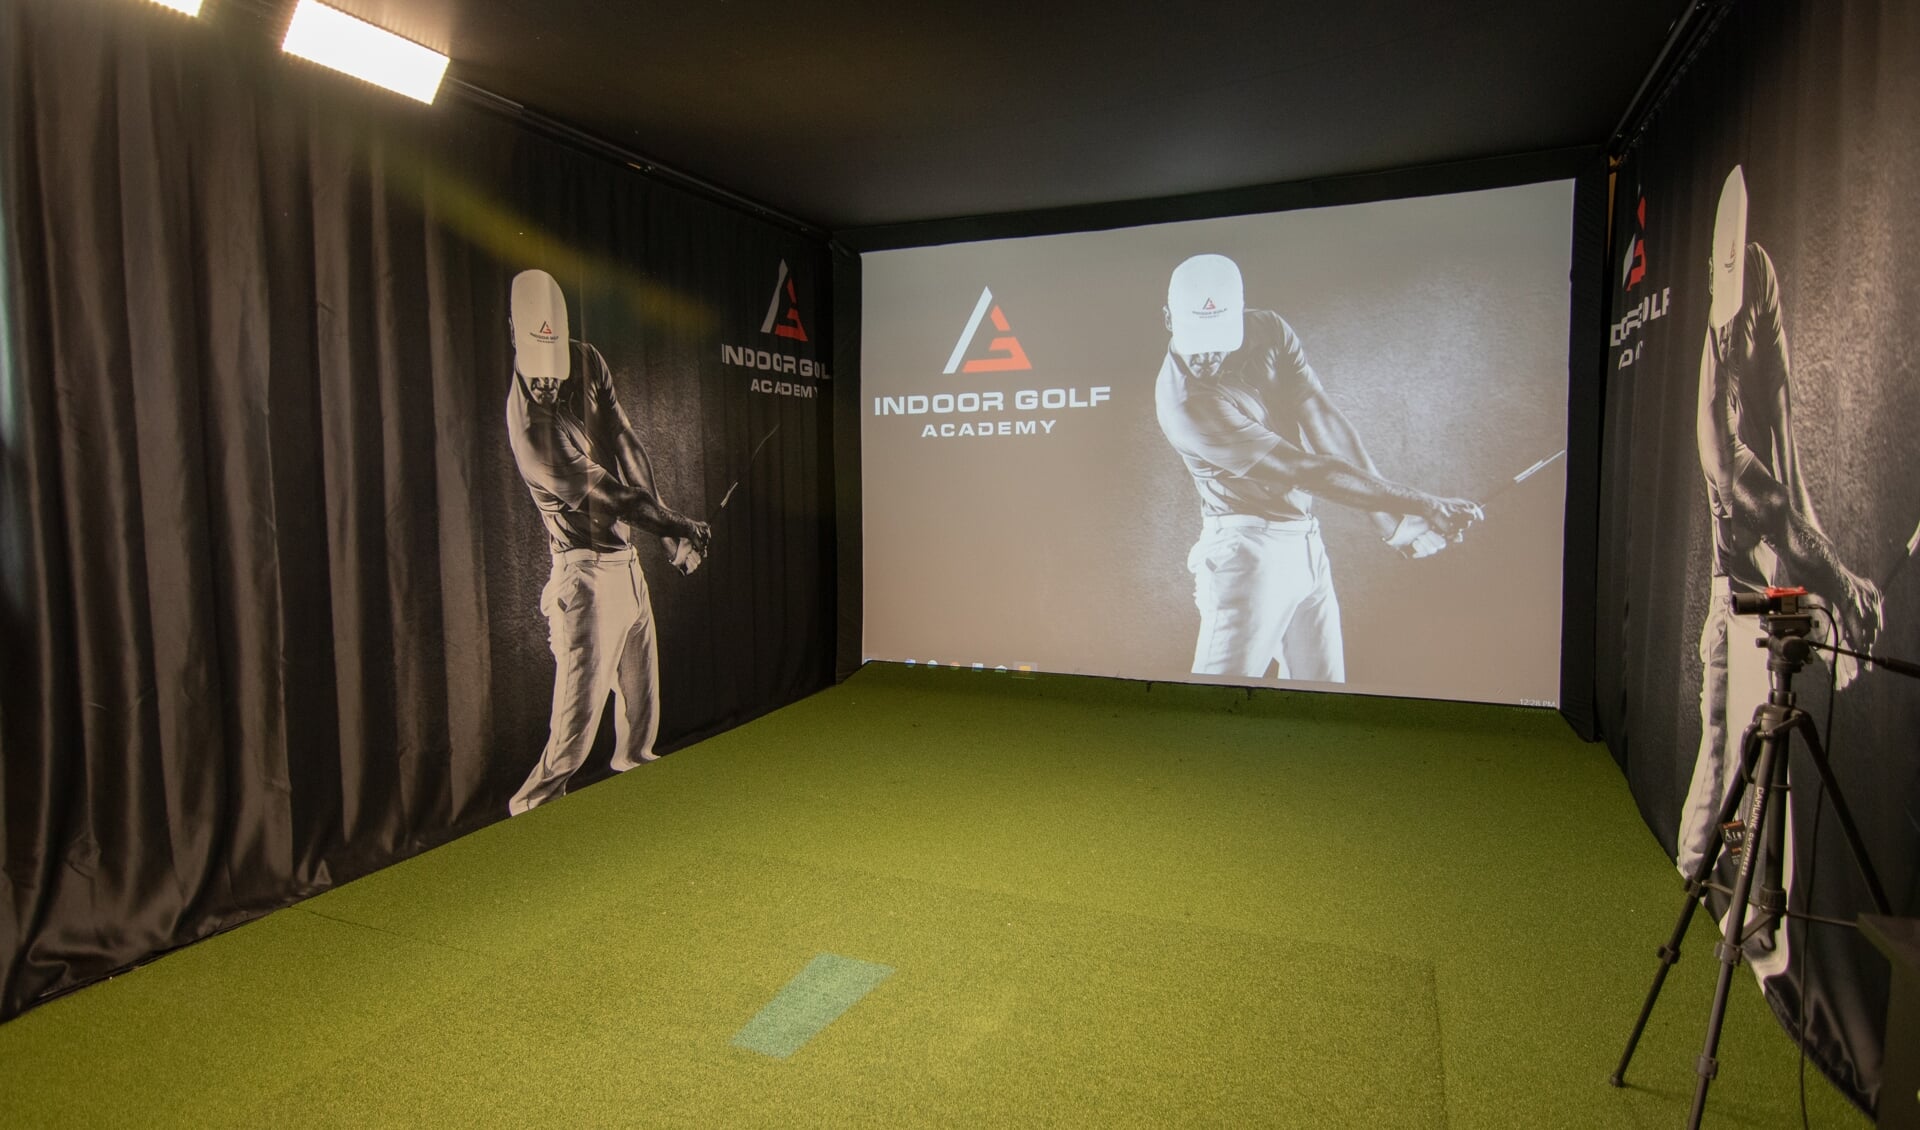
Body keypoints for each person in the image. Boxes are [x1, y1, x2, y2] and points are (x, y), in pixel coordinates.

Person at [1676, 166, 1883, 970]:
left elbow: (1797, 489)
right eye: (1733, 327)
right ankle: (1729, 889)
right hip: (1739, 607)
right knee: (1736, 761)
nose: (1742, 334)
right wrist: (1841, 584)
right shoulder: (1717, 435)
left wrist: (1827, 594)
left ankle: (1710, 873)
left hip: (1770, 594)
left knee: (1728, 750)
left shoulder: (1755, 277)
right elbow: (1783, 521)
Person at [1154, 253, 1483, 683]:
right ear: (1168, 319)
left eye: (1220, 338)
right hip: (1245, 555)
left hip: (1306, 542)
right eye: (1199, 340)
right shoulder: (1187, 406)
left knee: (1323, 701)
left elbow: (1323, 421)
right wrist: (1423, 504)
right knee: (1212, 709)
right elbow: (1306, 470)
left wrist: (1394, 525)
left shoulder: (1268, 330)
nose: (1209, 356)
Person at [504, 268, 711, 815]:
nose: (549, 387)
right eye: (539, 379)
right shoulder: (533, 434)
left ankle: (637, 813)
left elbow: (624, 442)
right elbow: (614, 497)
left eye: (556, 376)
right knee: (572, 740)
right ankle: (531, 814)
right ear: (515, 339)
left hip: (627, 563)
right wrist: (678, 527)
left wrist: (666, 537)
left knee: (642, 724)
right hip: (585, 580)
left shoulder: (586, 360)